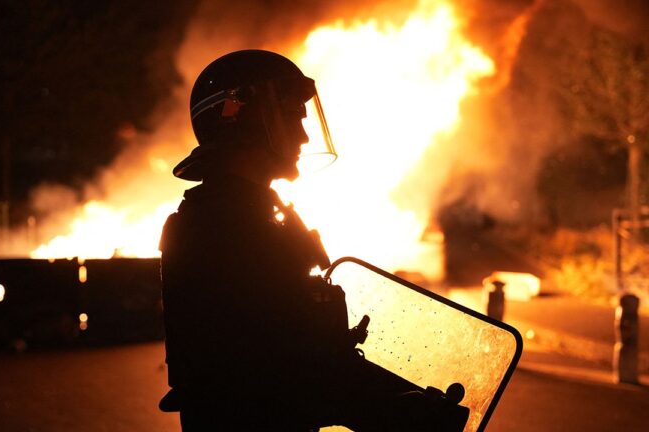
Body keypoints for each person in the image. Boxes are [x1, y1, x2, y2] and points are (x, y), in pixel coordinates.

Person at [158, 50, 468, 431]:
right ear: (246, 117)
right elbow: (271, 374)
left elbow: (294, 354)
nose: (304, 137)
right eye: (291, 118)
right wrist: (395, 411)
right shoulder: (225, 229)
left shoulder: (246, 217)